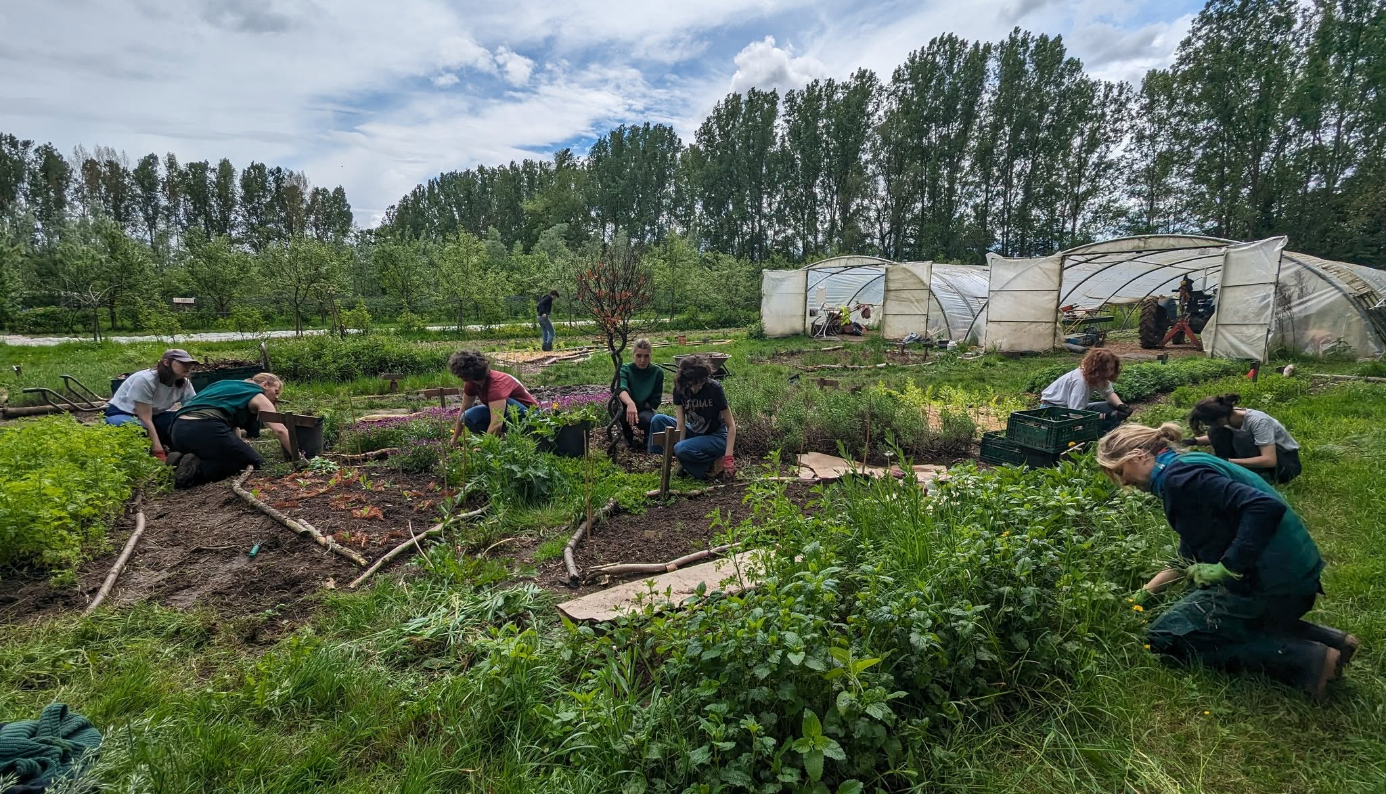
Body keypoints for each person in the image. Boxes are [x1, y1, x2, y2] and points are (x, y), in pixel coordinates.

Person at [1097, 423, 1358, 699]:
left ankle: (1308, 659)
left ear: (1139, 454)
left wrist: (1228, 567)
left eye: (1119, 471)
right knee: (1197, 611)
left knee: (1165, 636)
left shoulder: (1180, 479)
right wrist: (1145, 594)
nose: (1124, 482)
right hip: (1294, 577)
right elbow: (1189, 552)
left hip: (1275, 584)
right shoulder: (1184, 465)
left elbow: (1264, 508)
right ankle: (1331, 641)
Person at [169, 373, 293, 488]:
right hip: (205, 426)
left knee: (229, 457)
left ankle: (179, 460)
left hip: (178, 429)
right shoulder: (257, 394)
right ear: (265, 385)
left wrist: (239, 448)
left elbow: (232, 427)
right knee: (255, 463)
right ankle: (194, 472)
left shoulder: (225, 384)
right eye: (276, 392)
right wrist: (299, 456)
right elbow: (280, 430)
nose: (276, 397)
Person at [648, 355, 737, 479]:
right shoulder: (679, 389)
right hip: (695, 433)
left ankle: (709, 465)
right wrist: (680, 455)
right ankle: (684, 460)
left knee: (681, 448)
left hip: (716, 437)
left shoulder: (714, 388)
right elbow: (681, 425)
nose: (696, 388)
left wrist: (728, 457)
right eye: (692, 385)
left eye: (700, 383)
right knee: (657, 420)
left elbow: (731, 425)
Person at [104, 348, 199, 461]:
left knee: (179, 421)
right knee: (138, 429)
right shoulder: (145, 380)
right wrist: (158, 451)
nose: (188, 367)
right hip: (125, 413)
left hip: (155, 415)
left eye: (190, 363)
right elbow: (145, 418)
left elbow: (192, 408)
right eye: (183, 363)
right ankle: (145, 455)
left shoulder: (184, 383)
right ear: (166, 363)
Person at [1186, 394, 1301, 483]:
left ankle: (1262, 477)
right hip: (1259, 455)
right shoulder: (1229, 417)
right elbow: (1215, 438)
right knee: (1217, 432)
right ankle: (1238, 473)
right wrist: (1193, 441)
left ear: (1219, 419)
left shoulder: (1258, 422)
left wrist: (1226, 461)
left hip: (1285, 464)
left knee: (1237, 436)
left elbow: (1269, 460)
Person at [448, 350, 538, 440]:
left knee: (506, 405)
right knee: (467, 416)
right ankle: (501, 438)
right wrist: (455, 438)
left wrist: (485, 448)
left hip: (532, 418)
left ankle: (518, 436)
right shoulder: (472, 384)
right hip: (508, 416)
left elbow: (496, 423)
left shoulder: (496, 385)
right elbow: (464, 409)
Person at [1040, 348, 1131, 433]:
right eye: (1105, 369)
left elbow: (1108, 393)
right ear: (1096, 368)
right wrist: (1105, 416)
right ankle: (1096, 436)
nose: (1109, 373)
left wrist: (1121, 406)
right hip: (1054, 411)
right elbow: (1075, 414)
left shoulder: (1098, 377)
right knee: (1105, 418)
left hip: (1071, 408)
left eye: (1111, 369)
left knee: (1111, 407)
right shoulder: (1081, 383)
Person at [617, 338, 667, 451]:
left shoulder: (657, 372)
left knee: (650, 420)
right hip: (627, 408)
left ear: (651, 356)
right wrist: (630, 403)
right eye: (639, 356)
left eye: (646, 356)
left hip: (644, 408)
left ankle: (648, 443)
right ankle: (627, 438)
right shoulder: (625, 369)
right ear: (633, 355)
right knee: (617, 409)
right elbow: (621, 388)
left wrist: (643, 408)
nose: (642, 360)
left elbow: (656, 399)